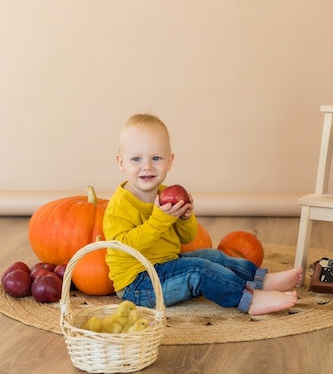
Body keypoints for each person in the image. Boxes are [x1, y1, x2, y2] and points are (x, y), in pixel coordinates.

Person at [103, 114, 302, 315]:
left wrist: (185, 218)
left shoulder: (165, 194)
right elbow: (123, 247)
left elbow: (187, 237)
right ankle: (249, 300)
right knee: (198, 270)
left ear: (169, 161)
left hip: (165, 264)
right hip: (139, 284)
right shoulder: (119, 205)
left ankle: (261, 281)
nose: (147, 166)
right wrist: (160, 220)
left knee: (212, 256)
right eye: (136, 159)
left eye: (156, 158)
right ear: (121, 163)